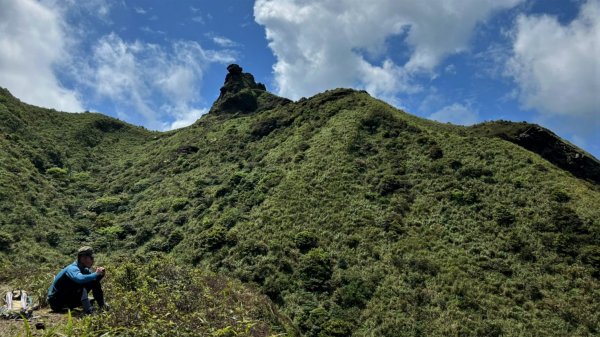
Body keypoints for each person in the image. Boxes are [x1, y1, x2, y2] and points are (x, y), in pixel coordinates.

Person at [47, 246, 107, 314]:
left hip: (67, 298)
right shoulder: (72, 268)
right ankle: (89, 310)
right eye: (91, 258)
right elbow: (80, 279)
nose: (92, 260)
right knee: (82, 284)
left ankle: (102, 306)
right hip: (56, 302)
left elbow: (93, 281)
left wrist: (100, 275)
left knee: (93, 281)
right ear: (83, 258)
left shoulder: (84, 269)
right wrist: (96, 273)